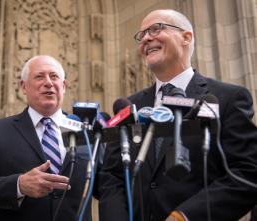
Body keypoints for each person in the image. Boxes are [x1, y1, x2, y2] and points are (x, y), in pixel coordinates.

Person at [99, 9, 257, 221]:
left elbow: (247, 171)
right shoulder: (130, 106)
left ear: (186, 37)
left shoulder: (226, 98)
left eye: (156, 29)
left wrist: (185, 216)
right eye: (142, 35)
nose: (146, 38)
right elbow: (112, 176)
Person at [0, 55, 92, 221]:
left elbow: (108, 187)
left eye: (54, 77)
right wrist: (18, 185)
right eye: (39, 76)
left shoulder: (85, 132)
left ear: (63, 86)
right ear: (24, 87)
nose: (48, 82)